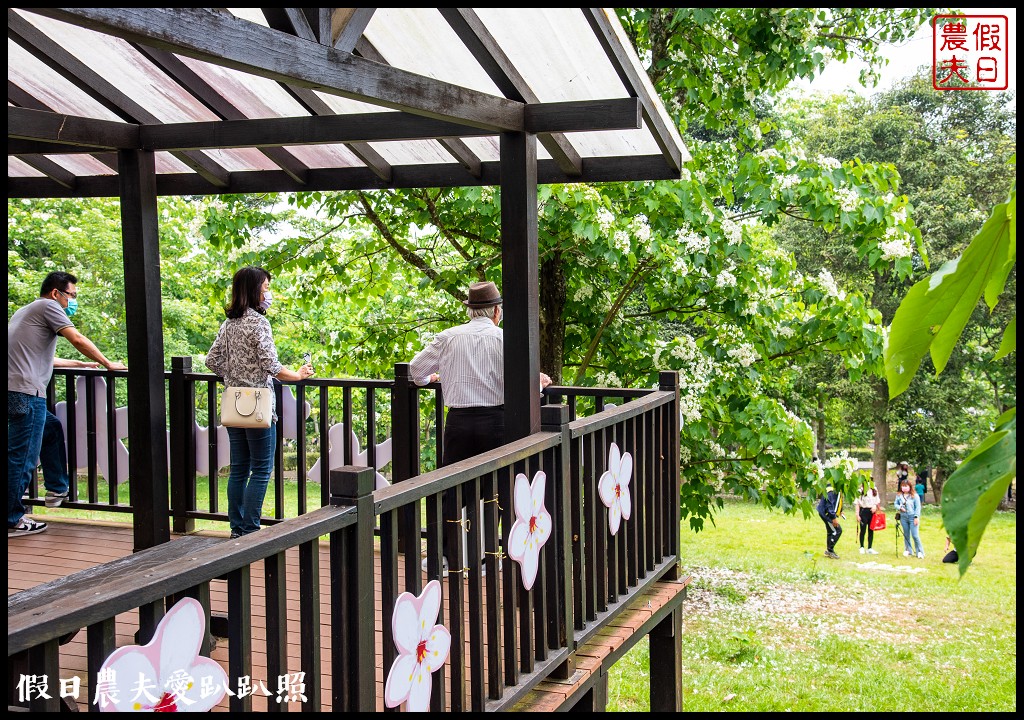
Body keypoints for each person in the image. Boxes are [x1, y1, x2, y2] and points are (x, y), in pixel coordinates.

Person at [408, 281, 551, 570]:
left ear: (471, 310)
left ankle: (446, 557)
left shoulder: (448, 337)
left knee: (450, 487)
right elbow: (526, 385)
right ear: (497, 311)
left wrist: (429, 380)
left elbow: (415, 370)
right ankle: (487, 556)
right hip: (496, 422)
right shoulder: (505, 339)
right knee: (493, 489)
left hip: (458, 422)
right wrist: (540, 384)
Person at [8, 271, 128, 538]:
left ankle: (57, 487)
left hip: (15, 390)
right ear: (55, 293)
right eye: (71, 296)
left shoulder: (26, 311)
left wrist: (81, 365)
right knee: (22, 457)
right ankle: (12, 519)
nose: (72, 301)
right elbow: (77, 339)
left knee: (51, 429)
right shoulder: (49, 307)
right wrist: (108, 363)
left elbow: (41, 357)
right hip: (27, 393)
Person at [205, 266, 314, 539]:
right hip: (260, 407)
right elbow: (271, 364)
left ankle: (236, 530)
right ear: (254, 290)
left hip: (234, 403)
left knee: (239, 469)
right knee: (262, 469)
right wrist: (297, 375)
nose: (268, 293)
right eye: (265, 288)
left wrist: (232, 377)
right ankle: (251, 530)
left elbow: (211, 361)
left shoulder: (229, 324)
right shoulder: (258, 322)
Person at [893, 478, 924, 558]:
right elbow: (895, 504)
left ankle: (920, 551)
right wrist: (900, 507)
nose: (904, 488)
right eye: (903, 486)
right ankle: (908, 550)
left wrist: (916, 517)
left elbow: (918, 507)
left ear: (910, 487)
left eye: (906, 486)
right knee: (906, 534)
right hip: (903, 517)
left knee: (915, 535)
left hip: (912, 516)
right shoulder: (899, 495)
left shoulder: (915, 496)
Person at [816, 482, 844, 559]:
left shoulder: (837, 487)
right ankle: (830, 551)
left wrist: (840, 509)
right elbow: (829, 504)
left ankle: (829, 551)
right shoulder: (831, 489)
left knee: (830, 531)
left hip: (825, 512)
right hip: (826, 513)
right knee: (837, 530)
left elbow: (838, 499)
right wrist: (833, 517)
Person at [854, 483, 881, 555]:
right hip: (863, 511)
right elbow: (857, 503)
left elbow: (877, 500)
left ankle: (870, 547)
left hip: (872, 512)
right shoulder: (860, 491)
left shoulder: (874, 490)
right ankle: (862, 546)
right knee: (863, 530)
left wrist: (875, 506)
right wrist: (857, 514)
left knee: (871, 530)